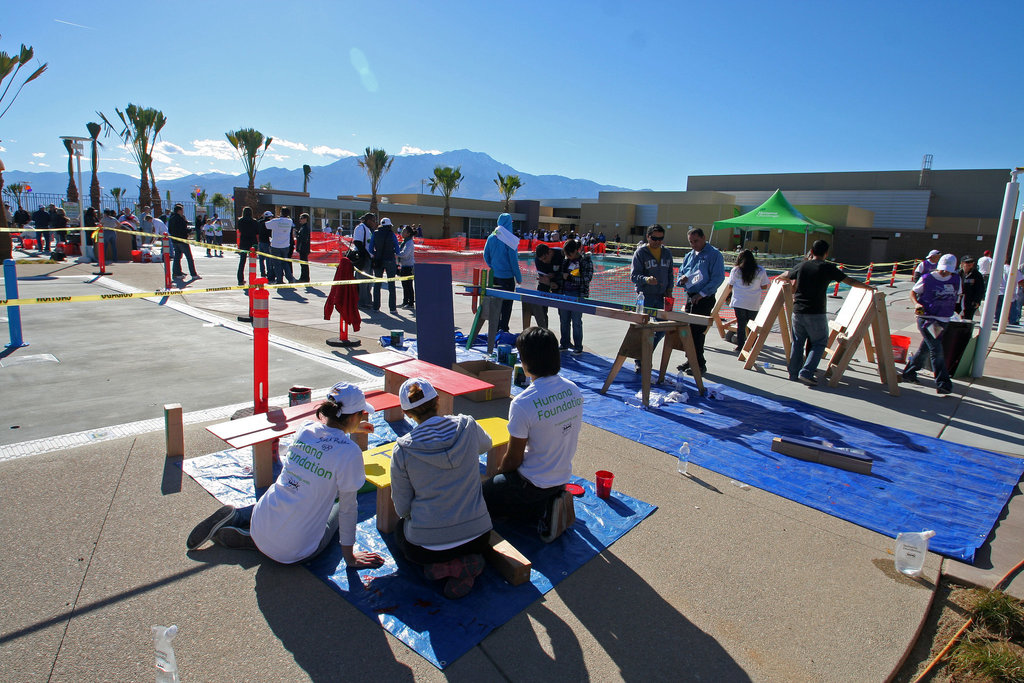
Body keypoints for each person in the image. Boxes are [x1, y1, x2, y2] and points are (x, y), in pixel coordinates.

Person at [186, 382, 385, 569]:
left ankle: (239, 517)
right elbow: (349, 510)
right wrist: (350, 557)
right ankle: (255, 539)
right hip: (296, 551)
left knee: (290, 492)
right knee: (339, 505)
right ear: (354, 416)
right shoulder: (350, 452)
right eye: (361, 415)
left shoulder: (305, 430)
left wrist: (352, 427)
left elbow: (328, 433)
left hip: (261, 520)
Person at [389, 378, 493, 599]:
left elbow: (402, 507)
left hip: (426, 547)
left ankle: (444, 567)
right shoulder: (467, 425)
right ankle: (462, 566)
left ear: (407, 413)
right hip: (479, 536)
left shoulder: (403, 450)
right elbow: (486, 445)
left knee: (399, 532)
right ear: (438, 400)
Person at [482, 326, 582, 543]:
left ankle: (541, 512)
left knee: (483, 496)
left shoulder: (523, 403)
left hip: (532, 484)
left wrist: (499, 475)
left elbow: (513, 459)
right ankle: (549, 503)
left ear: (526, 361)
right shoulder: (573, 390)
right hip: (561, 478)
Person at [776, 240, 874, 386]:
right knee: (819, 343)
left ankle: (793, 373)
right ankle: (807, 372)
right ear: (826, 253)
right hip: (816, 312)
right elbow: (850, 281)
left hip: (798, 311)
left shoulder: (802, 265)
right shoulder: (828, 267)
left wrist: (780, 278)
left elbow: (787, 274)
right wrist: (869, 288)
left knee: (797, 342)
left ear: (812, 251)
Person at [902, 255, 961, 394]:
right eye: (943, 270)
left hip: (943, 319)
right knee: (936, 350)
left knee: (926, 348)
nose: (945, 272)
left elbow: (958, 297)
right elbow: (913, 292)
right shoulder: (927, 278)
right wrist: (916, 304)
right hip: (928, 318)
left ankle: (909, 372)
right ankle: (943, 383)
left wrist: (959, 312)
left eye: (948, 270)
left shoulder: (956, 279)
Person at [675, 227, 725, 374]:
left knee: (697, 332)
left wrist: (702, 294)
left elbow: (718, 278)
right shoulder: (689, 255)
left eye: (696, 241)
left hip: (704, 298)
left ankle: (699, 364)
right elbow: (680, 273)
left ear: (703, 238)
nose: (693, 244)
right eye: (691, 242)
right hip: (691, 297)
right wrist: (681, 279)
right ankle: (690, 359)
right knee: (688, 331)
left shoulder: (714, 255)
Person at [630, 224, 675, 370]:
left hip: (662, 296)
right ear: (648, 237)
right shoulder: (641, 253)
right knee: (643, 328)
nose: (658, 241)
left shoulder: (667, 253)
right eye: (654, 238)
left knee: (662, 328)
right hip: (646, 296)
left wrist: (669, 289)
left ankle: (644, 354)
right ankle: (641, 360)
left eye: (660, 238)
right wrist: (646, 279)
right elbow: (634, 276)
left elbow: (669, 273)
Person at [722, 249, 770, 353]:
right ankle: (752, 344)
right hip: (753, 302)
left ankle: (740, 346)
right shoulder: (760, 270)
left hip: (739, 301)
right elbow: (765, 286)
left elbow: (730, 285)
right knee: (751, 324)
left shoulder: (736, 270)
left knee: (741, 324)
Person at [483, 213, 522, 331]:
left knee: (495, 306)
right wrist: (518, 277)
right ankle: (504, 329)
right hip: (507, 278)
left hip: (494, 276)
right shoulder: (509, 239)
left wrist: (493, 267)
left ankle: (494, 328)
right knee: (506, 306)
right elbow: (513, 261)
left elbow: (486, 255)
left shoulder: (492, 236)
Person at [558, 239, 593, 355]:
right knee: (564, 320)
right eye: (566, 254)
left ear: (576, 250)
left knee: (576, 321)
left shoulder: (586, 261)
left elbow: (587, 279)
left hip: (578, 295)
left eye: (570, 254)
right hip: (564, 294)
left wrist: (570, 278)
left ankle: (578, 346)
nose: (568, 256)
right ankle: (564, 343)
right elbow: (561, 275)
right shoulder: (566, 261)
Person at [369, 216, 400, 312]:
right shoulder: (392, 234)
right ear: (389, 225)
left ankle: (376, 307)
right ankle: (392, 308)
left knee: (377, 284)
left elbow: (370, 248)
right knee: (391, 284)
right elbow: (397, 249)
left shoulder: (375, 233)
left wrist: (376, 254)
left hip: (378, 260)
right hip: (390, 259)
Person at [532, 242, 564, 329]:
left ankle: (565, 339)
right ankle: (543, 331)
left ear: (549, 252)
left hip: (560, 283)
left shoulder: (560, 254)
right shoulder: (538, 260)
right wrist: (550, 283)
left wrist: (556, 280)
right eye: (542, 260)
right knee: (541, 309)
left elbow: (566, 273)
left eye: (545, 258)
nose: (544, 261)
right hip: (546, 283)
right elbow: (543, 279)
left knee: (563, 312)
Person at [266, 208, 296, 285]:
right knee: (285, 263)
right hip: (286, 245)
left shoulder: (276, 221)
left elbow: (267, 225)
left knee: (277, 264)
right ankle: (290, 278)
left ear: (281, 213)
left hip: (275, 245)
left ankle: (279, 280)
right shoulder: (290, 221)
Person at [169, 204, 199, 279]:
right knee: (189, 258)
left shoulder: (171, 218)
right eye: (182, 210)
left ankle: (176, 273)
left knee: (177, 257)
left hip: (175, 240)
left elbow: (170, 229)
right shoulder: (180, 219)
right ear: (179, 211)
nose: (183, 212)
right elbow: (183, 229)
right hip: (182, 240)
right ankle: (193, 274)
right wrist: (189, 230)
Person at [352, 213, 376, 308]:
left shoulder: (369, 229)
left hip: (369, 258)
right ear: (368, 220)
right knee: (362, 281)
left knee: (369, 281)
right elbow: (357, 242)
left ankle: (368, 300)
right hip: (363, 259)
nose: (374, 222)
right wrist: (366, 255)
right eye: (373, 220)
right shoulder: (360, 228)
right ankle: (361, 302)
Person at [235, 206, 259, 286]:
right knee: (253, 262)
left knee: (242, 261)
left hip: (243, 242)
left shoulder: (240, 221)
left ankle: (240, 279)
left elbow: (239, 230)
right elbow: (257, 232)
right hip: (252, 242)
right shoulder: (254, 221)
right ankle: (252, 279)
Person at [957, 255, 985, 321]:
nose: (970, 264)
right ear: (962, 263)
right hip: (958, 301)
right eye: (967, 262)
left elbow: (980, 289)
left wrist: (977, 301)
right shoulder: (957, 273)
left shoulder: (977, 275)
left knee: (967, 319)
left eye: (971, 262)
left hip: (969, 301)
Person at [398, 225, 416, 308]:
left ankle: (411, 303)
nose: (402, 232)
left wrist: (396, 253)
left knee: (409, 285)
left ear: (408, 233)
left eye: (404, 231)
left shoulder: (409, 242)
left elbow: (405, 254)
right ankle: (405, 301)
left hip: (409, 266)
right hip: (404, 266)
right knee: (404, 285)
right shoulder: (404, 242)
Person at [295, 212, 312, 283]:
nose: (300, 220)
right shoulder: (303, 227)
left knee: (304, 264)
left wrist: (298, 236)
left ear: (305, 219)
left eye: (301, 218)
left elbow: (304, 239)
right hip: (302, 248)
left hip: (304, 248)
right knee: (302, 264)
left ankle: (304, 278)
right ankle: (304, 277)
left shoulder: (305, 228)